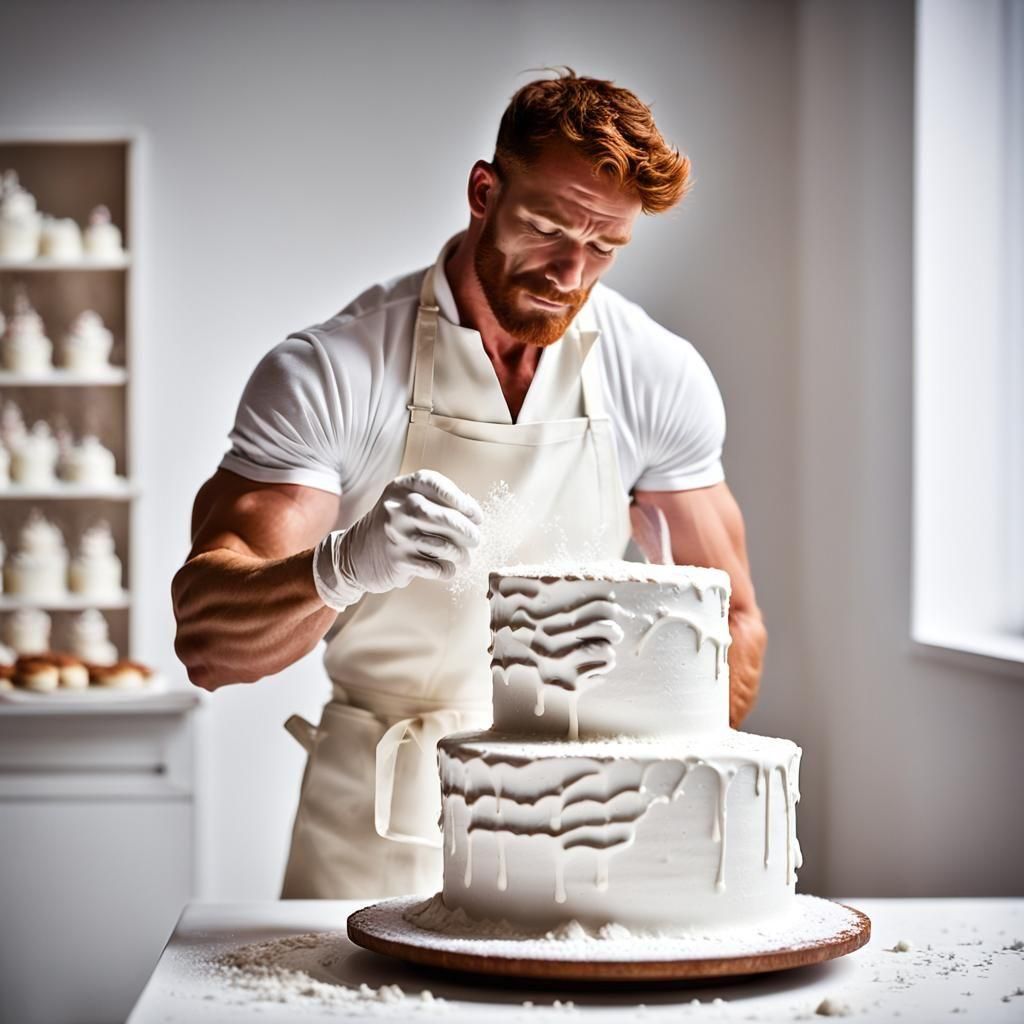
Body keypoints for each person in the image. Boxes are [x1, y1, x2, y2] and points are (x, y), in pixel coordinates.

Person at [172, 69, 767, 899]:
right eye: (549, 227)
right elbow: (206, 644)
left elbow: (734, 616)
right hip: (373, 819)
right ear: (484, 191)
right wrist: (345, 565)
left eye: (603, 247)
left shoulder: (655, 374)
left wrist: (660, 763)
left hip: (581, 817)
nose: (570, 270)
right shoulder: (334, 372)